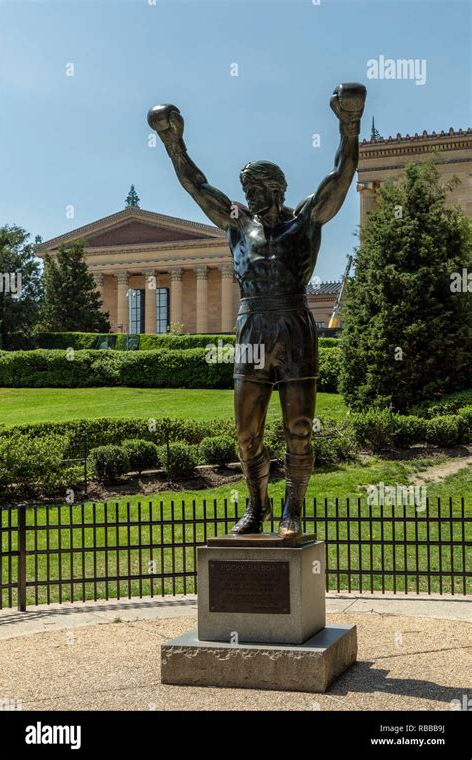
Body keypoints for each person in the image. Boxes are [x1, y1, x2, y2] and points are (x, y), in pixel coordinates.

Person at [148, 83, 366, 537]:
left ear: (275, 189)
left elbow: (341, 176)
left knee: (299, 428)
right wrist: (174, 143)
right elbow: (198, 185)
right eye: (245, 188)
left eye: (254, 188)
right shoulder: (237, 223)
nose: (246, 195)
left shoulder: (305, 219)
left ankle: (293, 511)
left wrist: (350, 125)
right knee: (247, 432)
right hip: (251, 328)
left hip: (294, 324)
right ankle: (257, 506)